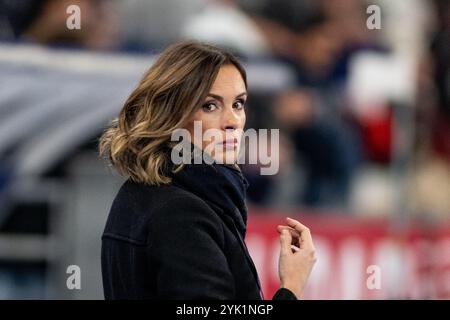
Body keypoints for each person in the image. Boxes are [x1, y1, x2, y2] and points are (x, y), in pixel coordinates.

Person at [99, 41, 316, 299]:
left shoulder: (152, 195)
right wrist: (291, 286)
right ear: (172, 113)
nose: (233, 122)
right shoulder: (180, 213)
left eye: (238, 104)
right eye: (210, 106)